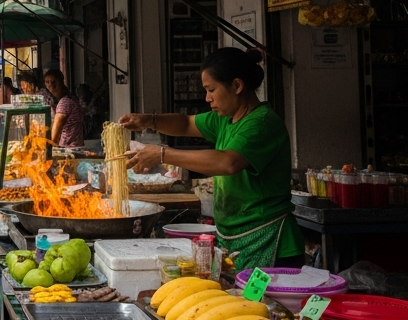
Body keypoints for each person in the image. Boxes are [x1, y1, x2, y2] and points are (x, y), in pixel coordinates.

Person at [120, 47, 303, 271]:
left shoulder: (262, 123)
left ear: (236, 86)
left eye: (212, 90)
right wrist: (149, 120)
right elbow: (186, 123)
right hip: (235, 236)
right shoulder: (225, 119)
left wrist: (161, 154)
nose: (207, 98)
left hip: (269, 238)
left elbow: (228, 162)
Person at [44, 69, 85, 148]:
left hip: (69, 149)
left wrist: (47, 148)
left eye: (54, 81)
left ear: (61, 81)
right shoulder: (69, 98)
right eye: (47, 82)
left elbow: (54, 137)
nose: (51, 85)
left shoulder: (65, 102)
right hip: (75, 146)